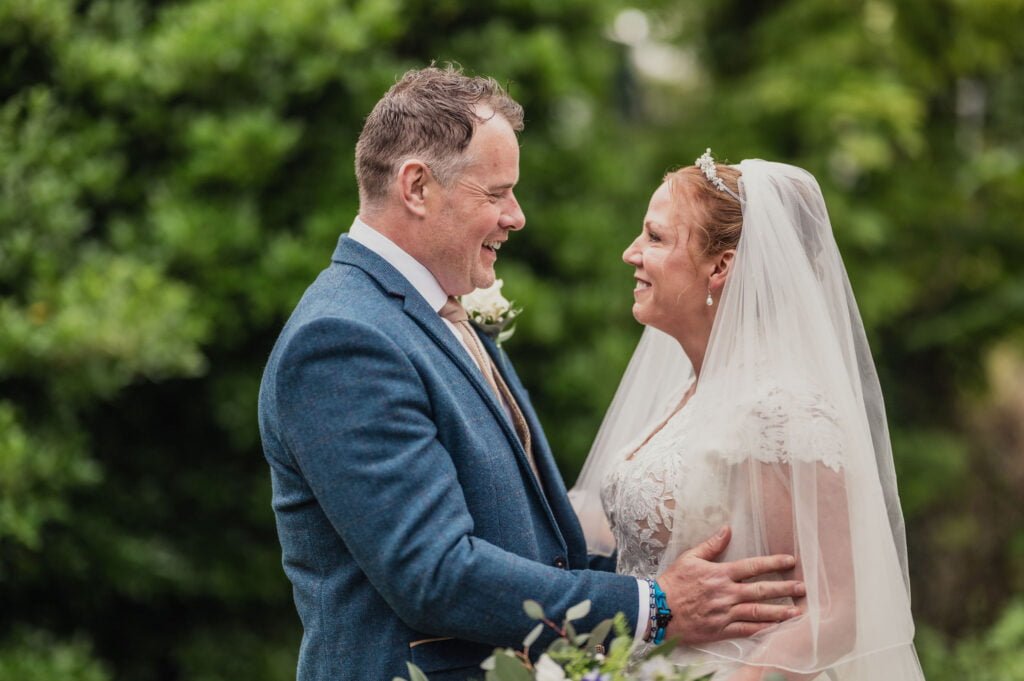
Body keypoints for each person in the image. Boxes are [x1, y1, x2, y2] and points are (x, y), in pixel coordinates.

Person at [258, 68, 805, 681]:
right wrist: (654, 605)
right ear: (416, 186)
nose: (516, 217)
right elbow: (434, 574)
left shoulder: (440, 314)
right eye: (495, 194)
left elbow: (536, 548)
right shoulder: (344, 339)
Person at [570, 152, 927, 679]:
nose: (631, 253)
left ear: (720, 266)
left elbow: (835, 610)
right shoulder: (689, 392)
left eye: (656, 238)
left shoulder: (779, 411)